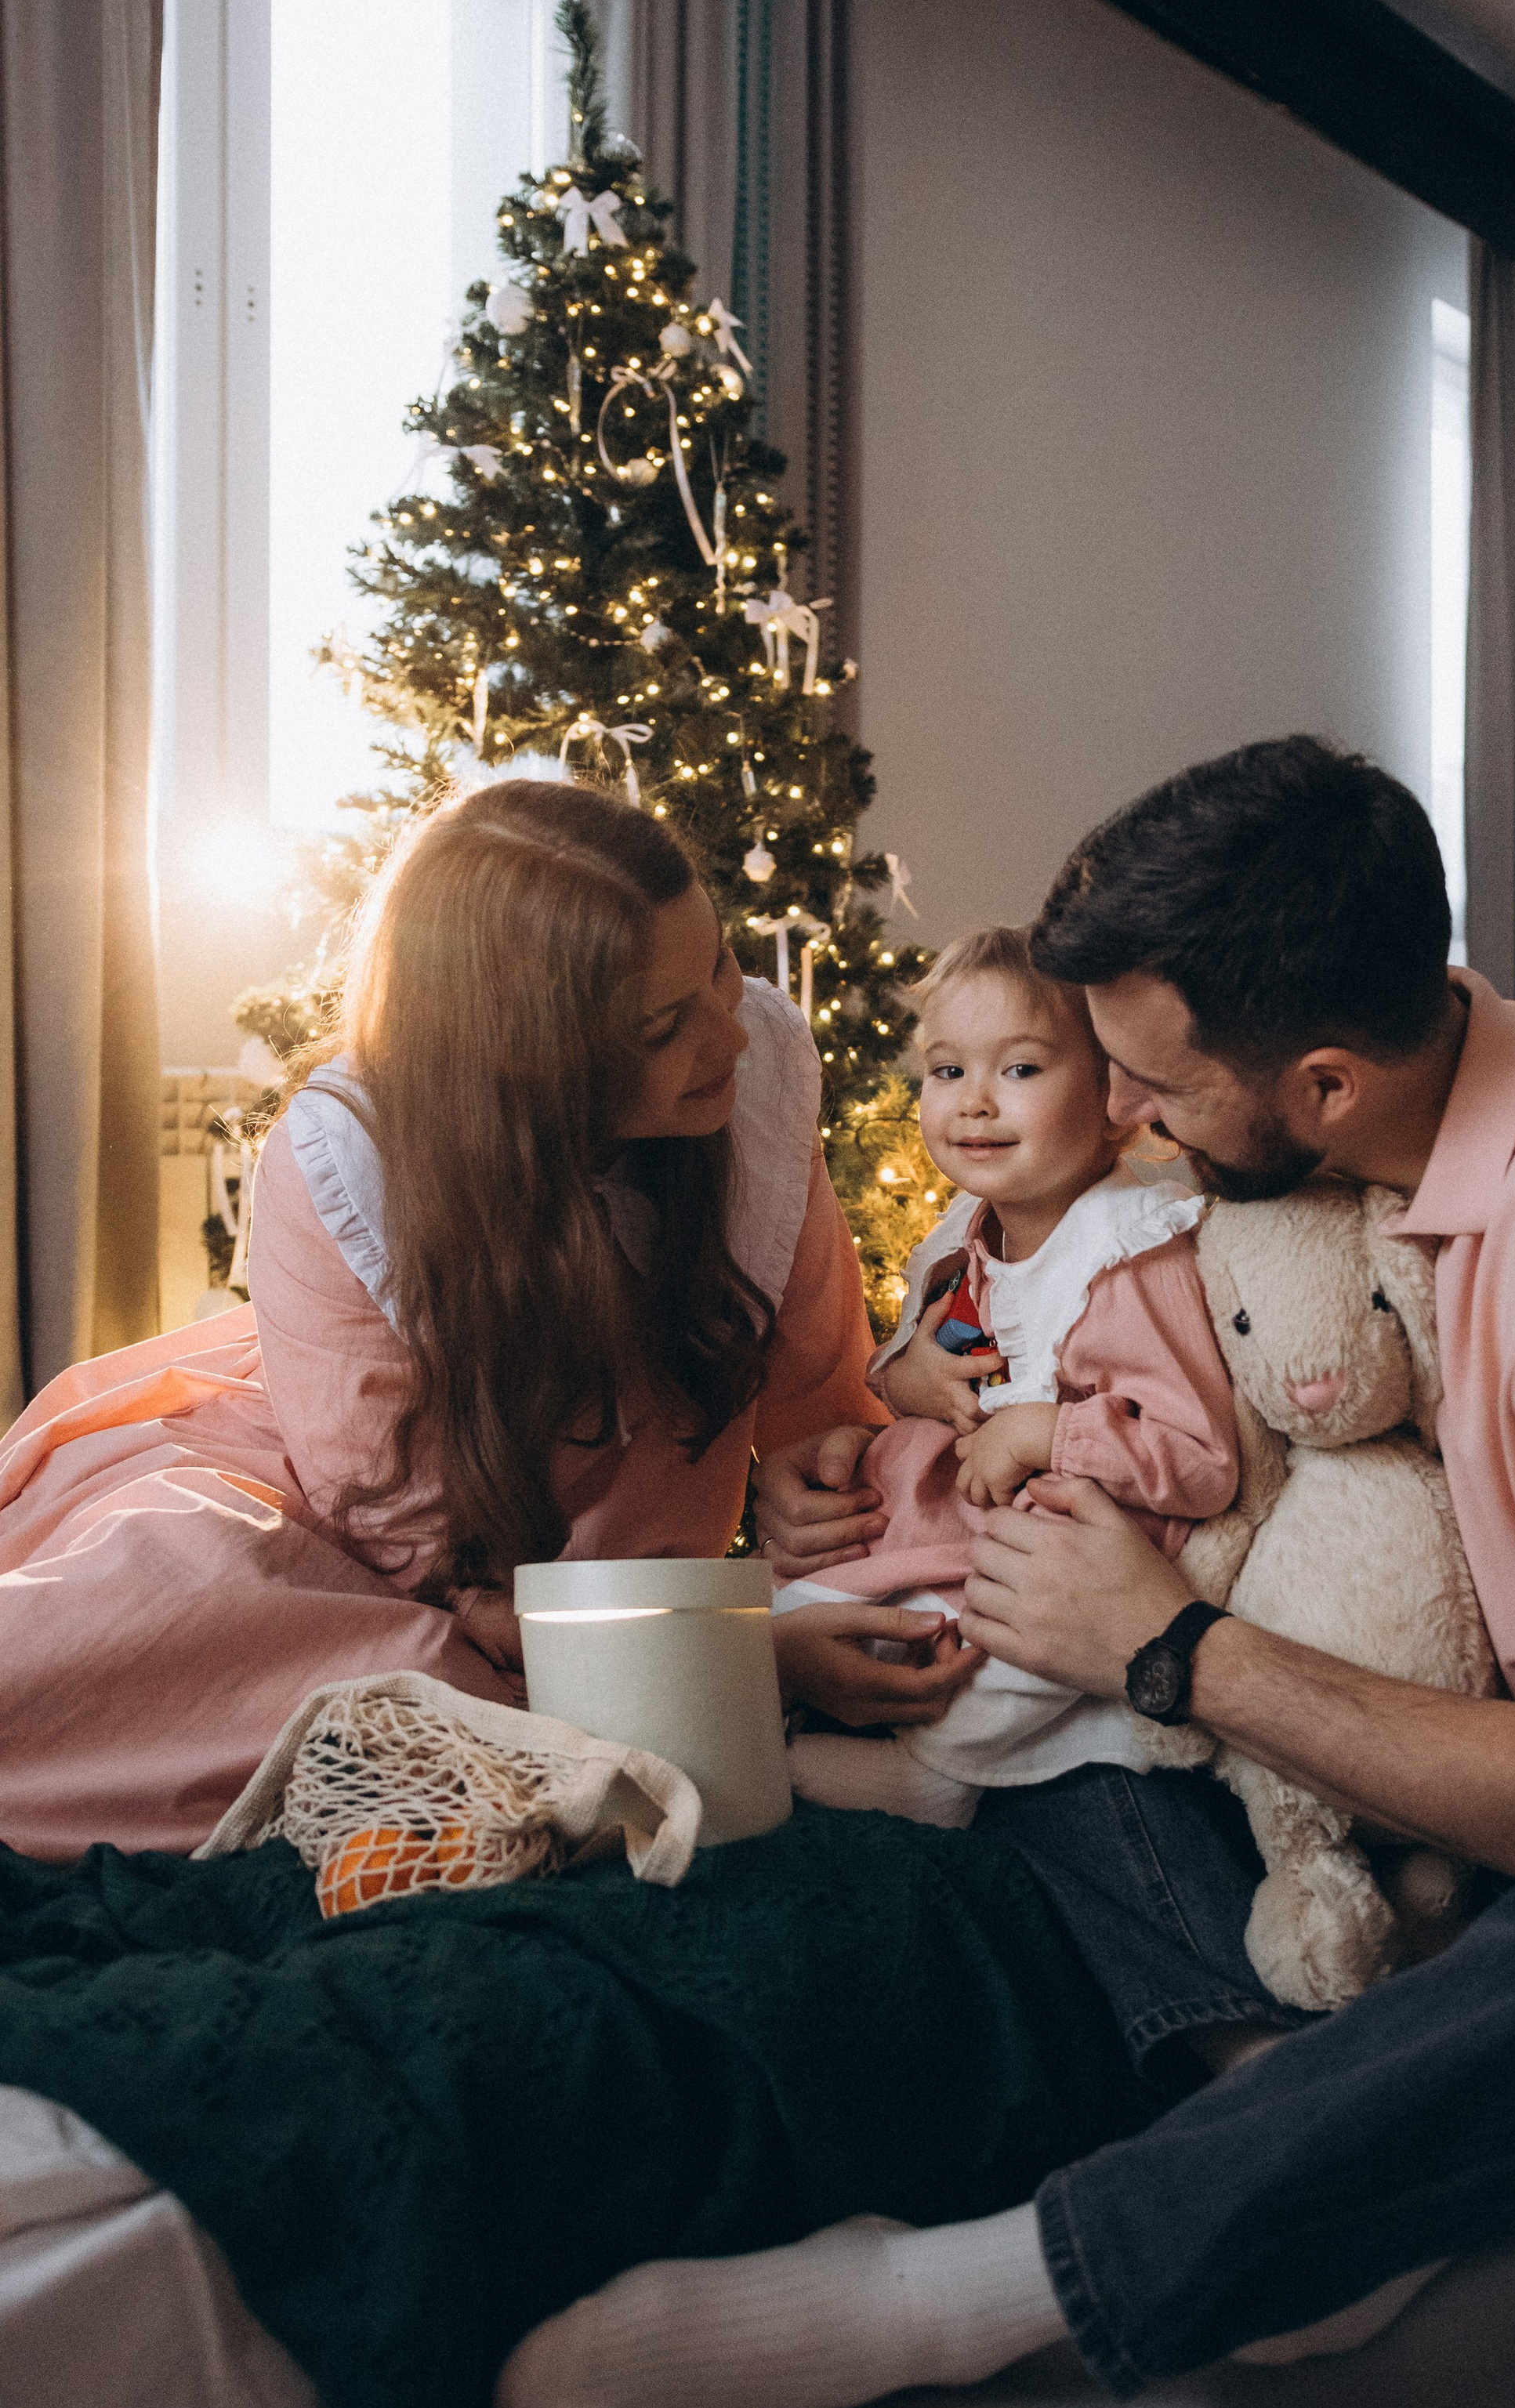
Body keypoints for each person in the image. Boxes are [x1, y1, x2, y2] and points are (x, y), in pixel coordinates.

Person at [497, 736, 1515, 2408]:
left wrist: (1172, 1648)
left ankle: (967, 2295)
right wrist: (875, 1468)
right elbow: (1065, 1372)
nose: (1120, 1127)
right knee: (1025, 1753)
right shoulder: (1357, 1089)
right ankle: (1316, 2143)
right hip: (1370, 1816)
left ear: (1320, 1085)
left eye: (1152, 1094)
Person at [0, 777, 973, 1860]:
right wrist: (748, 1661)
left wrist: (814, 1491)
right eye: (664, 1027)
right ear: (530, 1057)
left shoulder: (757, 1089)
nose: (728, 1036)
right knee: (168, 1644)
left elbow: (821, 1400)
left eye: (720, 967)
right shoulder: (346, 1168)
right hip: (376, 1534)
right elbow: (430, 1563)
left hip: (573, 1592)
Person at [780, 925, 1236, 1827]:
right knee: (798, 1605)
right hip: (964, 1517)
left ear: (1117, 1097)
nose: (975, 1104)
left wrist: (1043, 1431)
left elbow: (1199, 1455)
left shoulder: (1129, 1253)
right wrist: (909, 1377)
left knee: (1014, 1643)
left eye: (1019, 1071)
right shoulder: (971, 1235)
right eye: (948, 1072)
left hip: (1087, 1557)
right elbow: (940, 1360)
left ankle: (938, 1773)